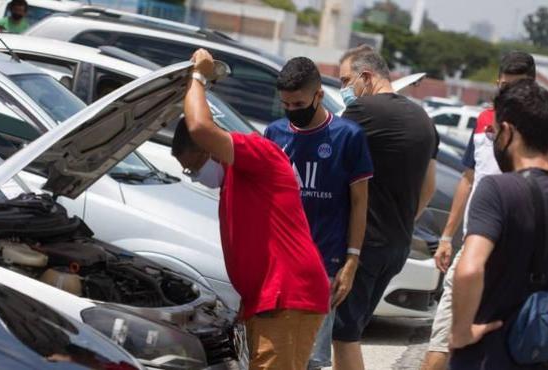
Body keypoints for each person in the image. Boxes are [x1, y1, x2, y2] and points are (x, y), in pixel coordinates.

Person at [421, 51, 548, 370]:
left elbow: (470, 269)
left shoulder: (497, 190)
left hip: (485, 356)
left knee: (438, 347)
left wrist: (462, 332)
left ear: (506, 133)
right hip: (544, 356)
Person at [171, 48, 330, 370]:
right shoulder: (236, 173)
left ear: (211, 149)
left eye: (195, 166)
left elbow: (201, 127)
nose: (196, 175)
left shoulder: (258, 152)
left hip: (288, 296)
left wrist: (198, 77)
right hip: (270, 299)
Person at [263, 57, 373, 370]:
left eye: (298, 102)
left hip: (324, 265)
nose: (292, 110)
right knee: (277, 352)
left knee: (311, 359)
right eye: (285, 103)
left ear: (319, 95)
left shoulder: (348, 136)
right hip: (280, 265)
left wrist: (351, 261)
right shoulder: (274, 134)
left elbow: (359, 203)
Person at [333, 44, 437, 370]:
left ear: (366, 76)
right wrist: (404, 219)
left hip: (362, 247)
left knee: (344, 335)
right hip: (397, 244)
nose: (343, 89)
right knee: (352, 331)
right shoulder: (423, 119)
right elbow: (429, 188)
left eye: (346, 80)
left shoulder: (362, 111)